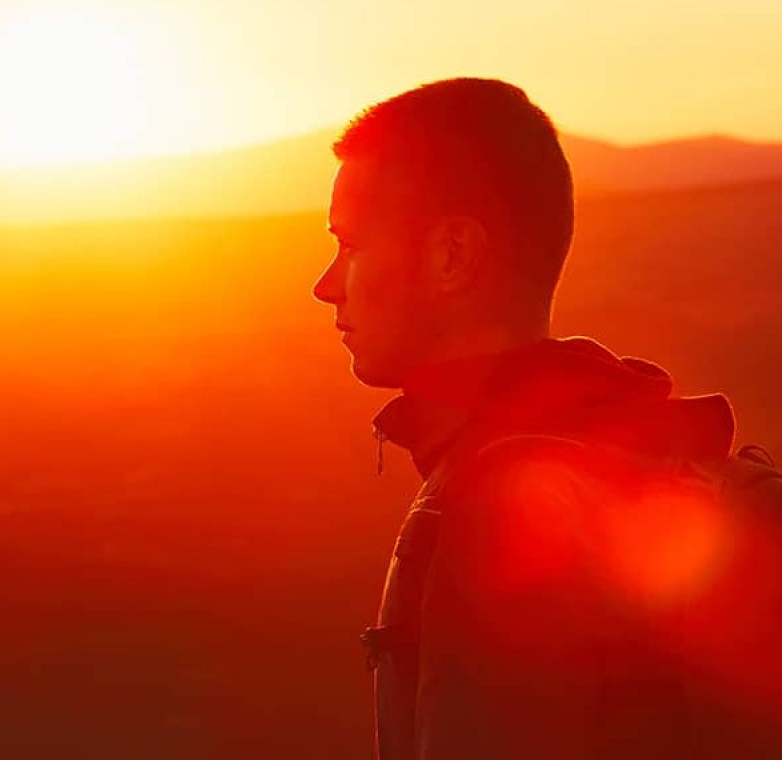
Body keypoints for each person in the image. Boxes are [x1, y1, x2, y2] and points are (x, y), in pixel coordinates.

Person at [311, 78, 781, 759]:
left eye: (350, 245)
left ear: (452, 256)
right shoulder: (653, 452)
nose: (325, 285)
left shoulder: (502, 521)